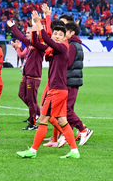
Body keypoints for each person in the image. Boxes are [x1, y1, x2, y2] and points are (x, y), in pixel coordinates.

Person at [16, 11, 80, 159]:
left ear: (64, 37)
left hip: (56, 90)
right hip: (59, 89)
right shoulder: (55, 48)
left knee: (43, 119)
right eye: (55, 33)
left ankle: (32, 151)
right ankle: (74, 151)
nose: (56, 36)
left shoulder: (63, 47)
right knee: (62, 121)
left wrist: (40, 23)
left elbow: (45, 37)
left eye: (59, 34)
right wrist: (34, 27)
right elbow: (37, 43)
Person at [48, 19, 93, 147]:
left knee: (66, 109)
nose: (62, 33)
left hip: (70, 81)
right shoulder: (75, 44)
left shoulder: (72, 46)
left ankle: (83, 129)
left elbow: (67, 64)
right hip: (73, 80)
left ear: (72, 32)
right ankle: (67, 135)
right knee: (67, 109)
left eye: (65, 31)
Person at [7, 20, 44, 130]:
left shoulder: (40, 45)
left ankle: (33, 123)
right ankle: (38, 114)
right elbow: (21, 36)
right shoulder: (30, 44)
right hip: (26, 75)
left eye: (30, 32)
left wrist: (36, 24)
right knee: (22, 94)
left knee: (31, 101)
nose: (27, 34)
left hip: (33, 76)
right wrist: (13, 26)